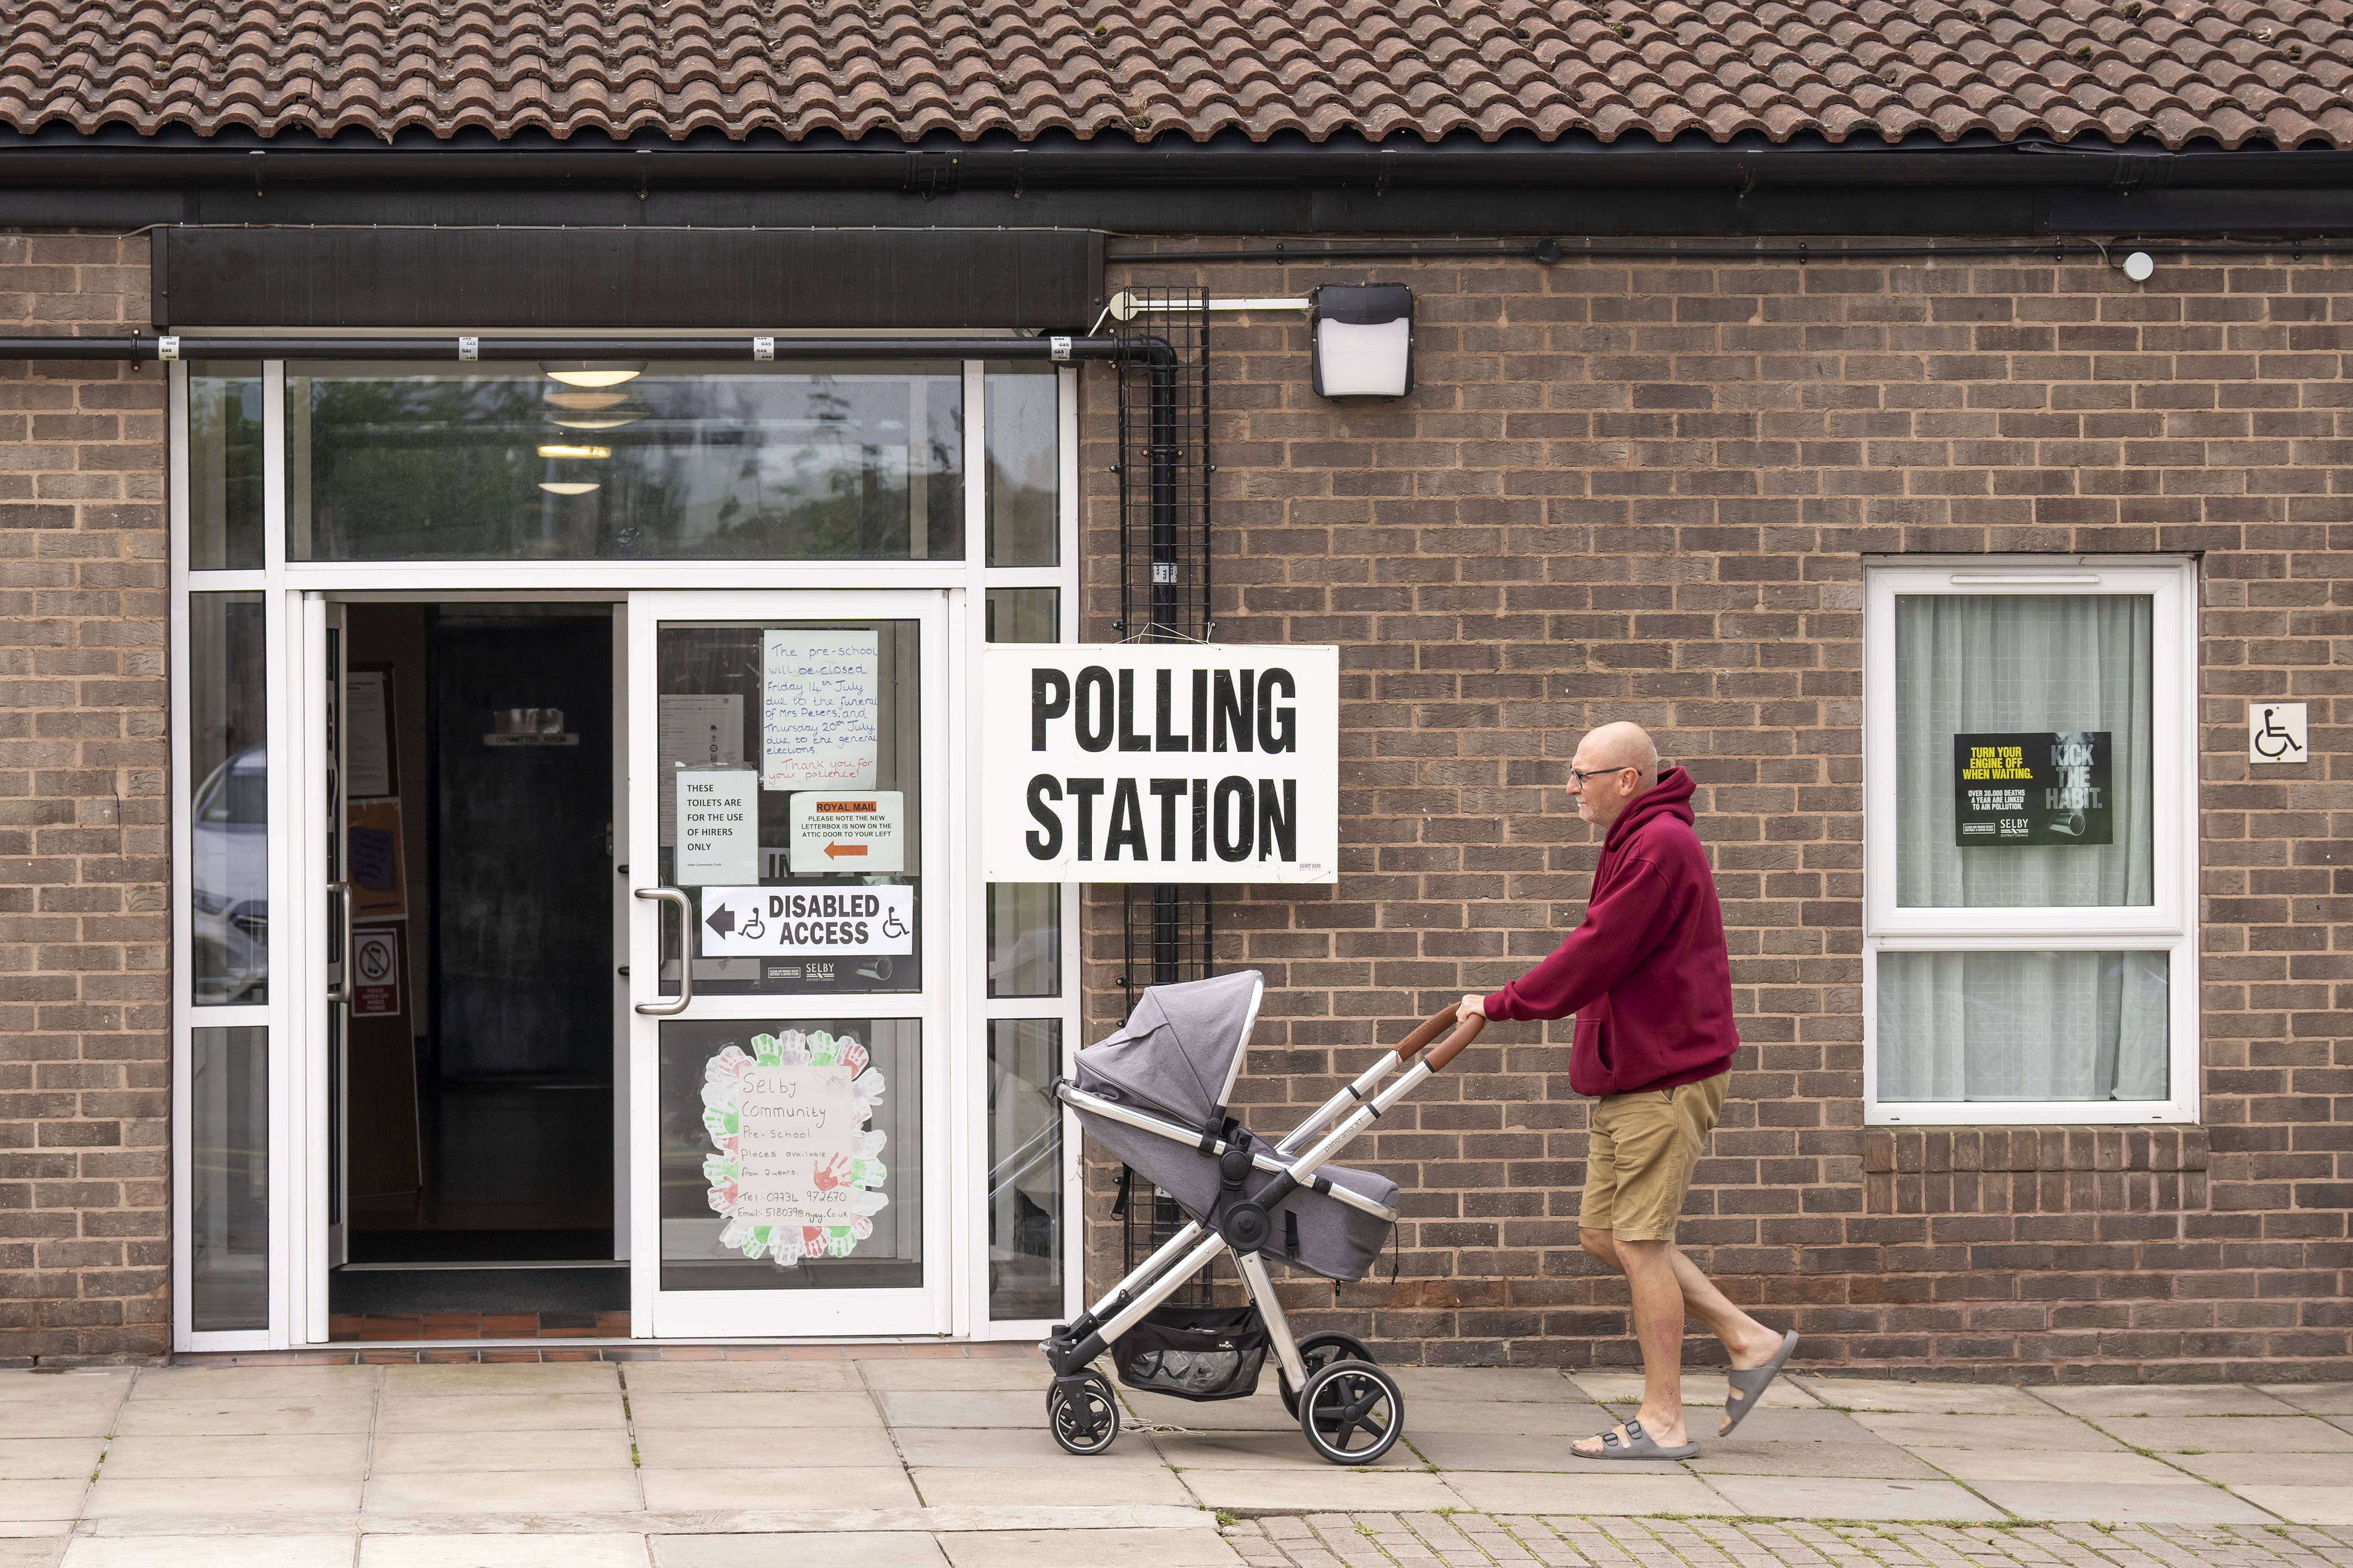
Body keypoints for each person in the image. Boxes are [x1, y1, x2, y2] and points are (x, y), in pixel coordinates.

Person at [1459, 721, 1797, 1460]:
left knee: (1641, 1243)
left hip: (1666, 1074)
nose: (1570, 788)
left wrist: (1503, 1000)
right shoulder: (1638, 838)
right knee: (1604, 1235)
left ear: (1628, 778)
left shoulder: (1657, 846)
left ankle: (1663, 1420)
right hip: (1638, 1069)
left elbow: (1596, 949)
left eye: (1583, 774)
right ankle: (1748, 1337)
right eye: (1570, 772)